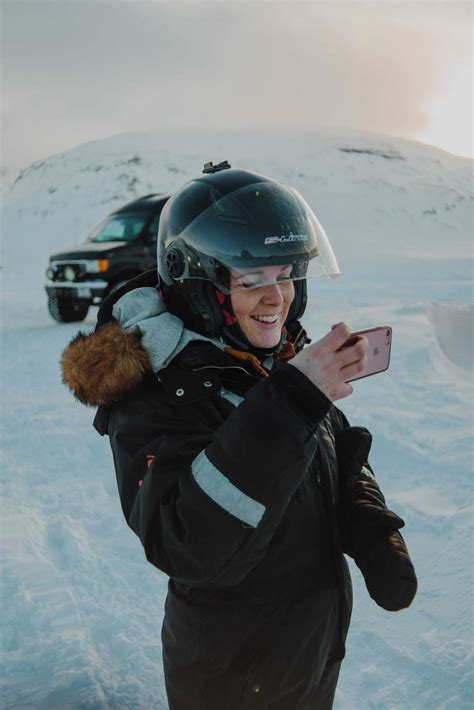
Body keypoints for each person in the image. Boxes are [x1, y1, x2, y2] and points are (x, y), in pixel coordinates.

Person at [61, 161, 417, 710]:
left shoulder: (269, 357)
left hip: (311, 655)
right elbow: (186, 541)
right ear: (200, 285)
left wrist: (367, 517)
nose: (276, 298)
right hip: (231, 674)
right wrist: (293, 400)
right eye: (252, 280)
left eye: (287, 275)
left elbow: (331, 447)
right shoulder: (157, 392)